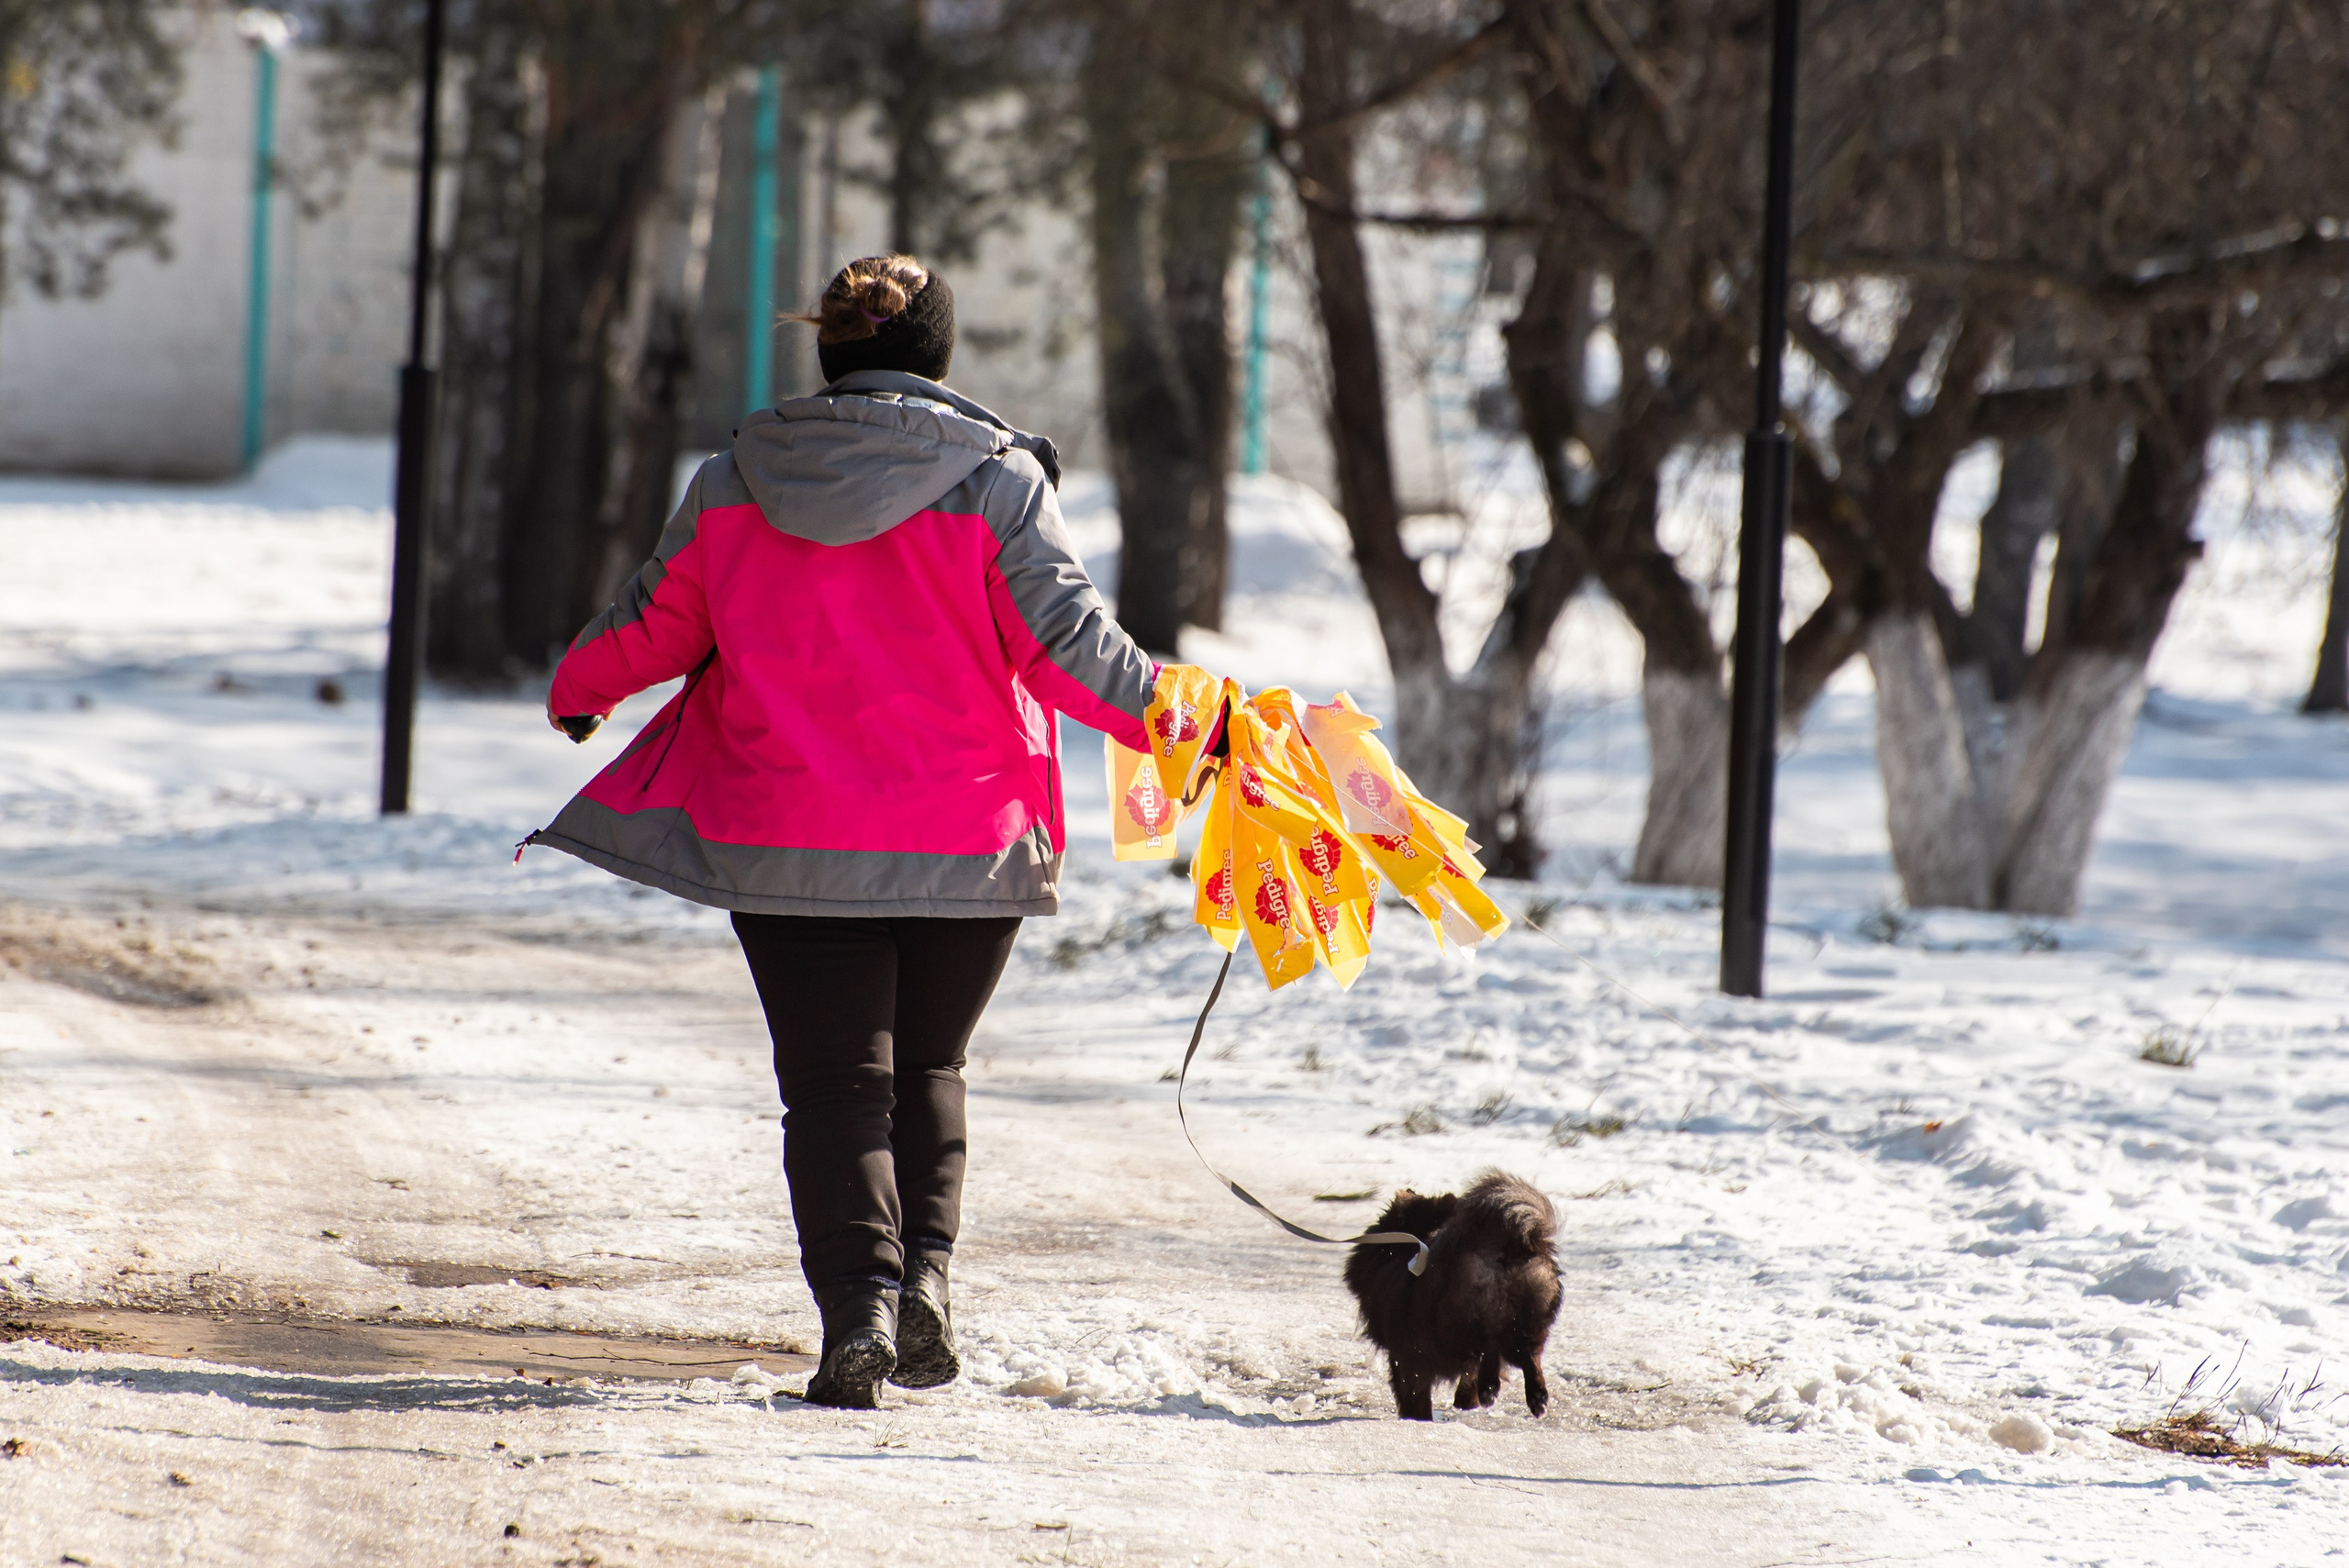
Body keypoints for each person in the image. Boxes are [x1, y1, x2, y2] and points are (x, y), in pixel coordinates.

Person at [529, 254, 1163, 1407]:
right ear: (940, 355)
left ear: (827, 347)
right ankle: (924, 1282)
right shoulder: (999, 481)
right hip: (968, 841)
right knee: (927, 1066)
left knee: (833, 1087)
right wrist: (1186, 723)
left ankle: (857, 1313)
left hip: (786, 834)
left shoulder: (734, 480)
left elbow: (656, 620)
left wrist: (581, 683)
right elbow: (1069, 642)